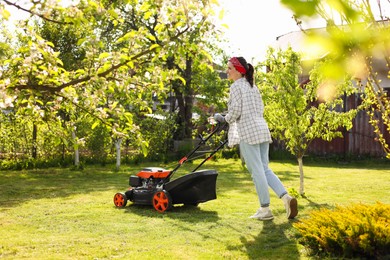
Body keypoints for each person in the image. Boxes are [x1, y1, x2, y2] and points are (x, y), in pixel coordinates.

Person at [214, 56, 298, 220]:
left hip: (248, 132)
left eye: (230, 68)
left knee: (257, 171)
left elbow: (236, 111)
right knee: (265, 169)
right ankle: (286, 198)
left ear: (239, 71)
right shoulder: (252, 86)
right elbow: (259, 108)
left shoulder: (236, 87)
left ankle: (265, 209)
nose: (227, 71)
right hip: (261, 129)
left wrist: (224, 118)